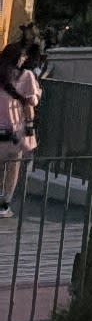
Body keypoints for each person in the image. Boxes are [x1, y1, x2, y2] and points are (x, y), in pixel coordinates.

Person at [0, 40, 40, 214]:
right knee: (12, 167)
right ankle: (4, 204)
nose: (24, 58)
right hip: (15, 130)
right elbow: (32, 100)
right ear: (18, 57)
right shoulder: (27, 76)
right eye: (23, 56)